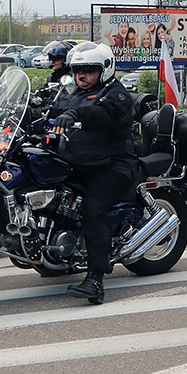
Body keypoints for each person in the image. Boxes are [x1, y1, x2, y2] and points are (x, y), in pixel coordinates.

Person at [46, 41, 137, 304]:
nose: (81, 76)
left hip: (113, 165)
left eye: (88, 70)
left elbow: (100, 114)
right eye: (77, 71)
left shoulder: (117, 95)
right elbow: (58, 109)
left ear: (105, 69)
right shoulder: (74, 92)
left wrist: (75, 114)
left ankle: (95, 280)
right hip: (81, 162)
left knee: (93, 208)